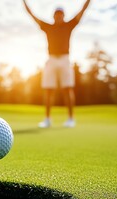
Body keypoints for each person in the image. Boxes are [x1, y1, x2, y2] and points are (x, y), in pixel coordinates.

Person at [23, 0, 91, 128]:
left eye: (61, 14)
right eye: (56, 14)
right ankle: (47, 119)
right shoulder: (47, 26)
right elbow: (31, 14)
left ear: (63, 16)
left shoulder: (69, 25)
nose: (59, 16)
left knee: (68, 89)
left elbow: (83, 10)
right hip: (51, 60)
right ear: (53, 16)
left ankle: (71, 119)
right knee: (48, 90)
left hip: (65, 60)